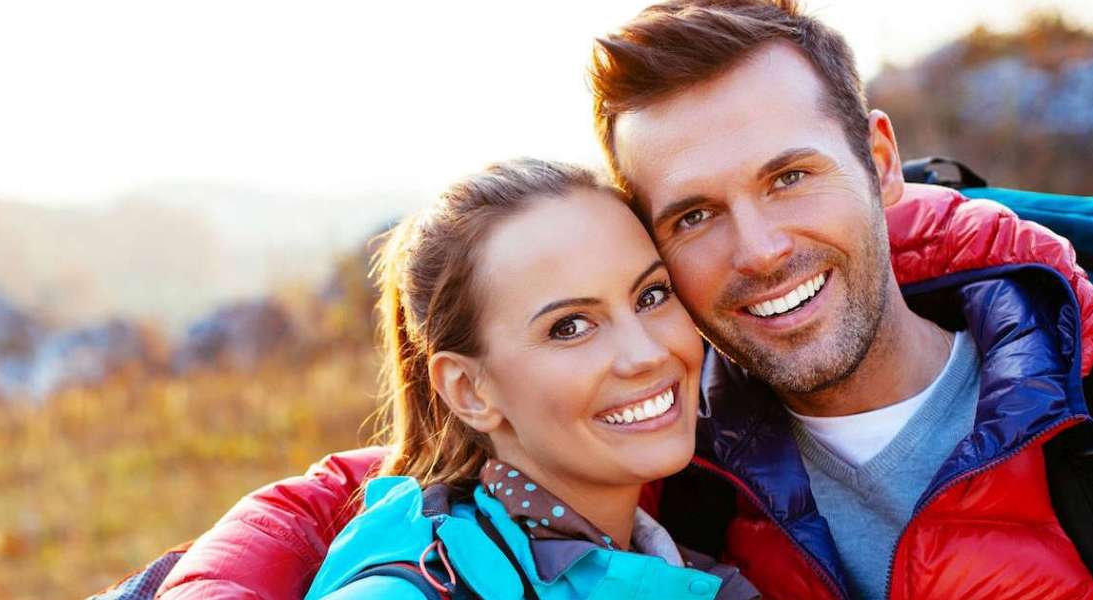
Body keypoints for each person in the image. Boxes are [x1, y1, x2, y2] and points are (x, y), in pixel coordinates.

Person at [154, 1, 1093, 599]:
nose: (760, 252)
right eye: (692, 217)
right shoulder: (662, 446)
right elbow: (379, 485)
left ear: (881, 160)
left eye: (789, 178)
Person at [304, 158, 757, 599]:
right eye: (570, 327)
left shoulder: (682, 566)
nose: (648, 353)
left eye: (651, 295)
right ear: (468, 389)